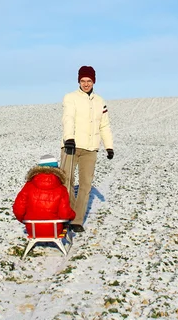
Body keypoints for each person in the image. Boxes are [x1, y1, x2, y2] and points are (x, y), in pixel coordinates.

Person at [60, 65, 114, 233]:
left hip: (91, 148)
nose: (86, 84)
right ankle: (66, 214)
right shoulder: (70, 98)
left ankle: (77, 220)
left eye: (89, 81)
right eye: (83, 81)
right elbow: (68, 118)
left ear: (93, 81)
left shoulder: (100, 101)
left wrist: (109, 146)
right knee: (66, 180)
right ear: (79, 81)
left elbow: (104, 125)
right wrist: (69, 138)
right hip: (71, 146)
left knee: (85, 184)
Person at [13, 154, 76, 238]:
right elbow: (64, 214)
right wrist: (72, 215)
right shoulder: (61, 189)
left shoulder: (28, 186)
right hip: (55, 230)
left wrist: (25, 221)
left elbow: (18, 209)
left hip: (32, 229)